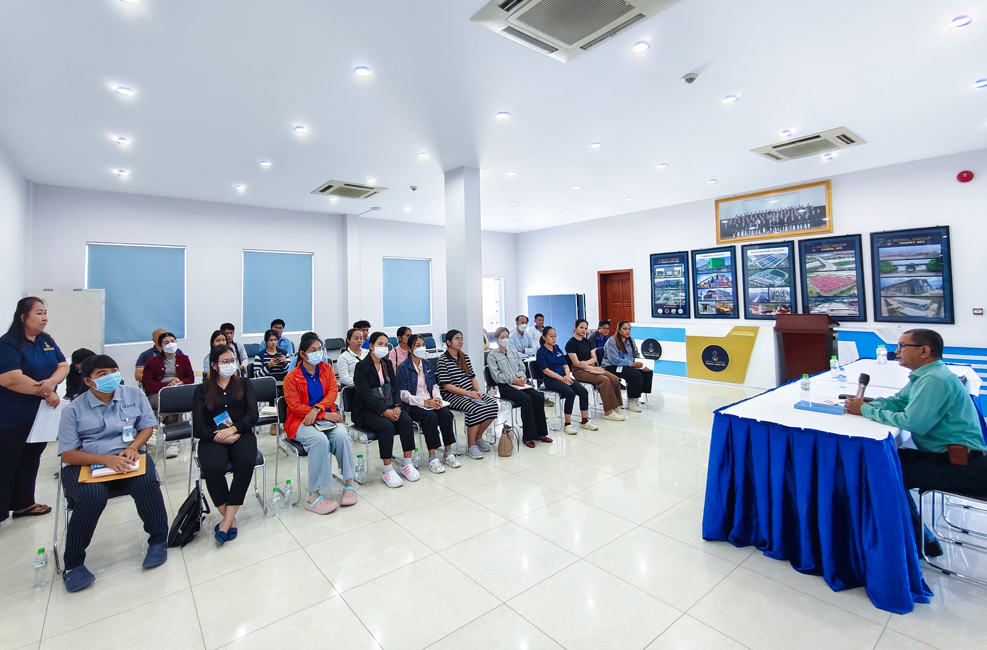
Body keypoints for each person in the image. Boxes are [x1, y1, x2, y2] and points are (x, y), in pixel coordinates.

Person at [846, 329, 987, 556]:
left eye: (902, 346)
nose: (896, 351)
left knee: (884, 474)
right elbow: (898, 402)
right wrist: (867, 405)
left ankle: (919, 541)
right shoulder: (925, 375)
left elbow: (912, 422)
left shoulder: (934, 380)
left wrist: (865, 410)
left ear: (924, 351)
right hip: (944, 456)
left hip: (963, 466)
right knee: (881, 461)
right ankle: (917, 535)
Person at [57, 354, 168, 592]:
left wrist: (133, 448)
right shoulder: (73, 409)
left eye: (114, 371)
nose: (111, 376)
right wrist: (105, 459)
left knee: (147, 483)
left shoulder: (133, 395)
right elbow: (68, 454)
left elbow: (147, 427)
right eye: (102, 374)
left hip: (128, 457)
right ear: (88, 381)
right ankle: (74, 564)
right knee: (92, 497)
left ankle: (158, 541)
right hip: (87, 464)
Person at [0, 297, 69, 525]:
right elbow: (11, 378)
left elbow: (63, 365)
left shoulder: (45, 340)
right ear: (23, 317)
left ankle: (23, 503)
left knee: (30, 459)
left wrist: (51, 382)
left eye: (45, 312)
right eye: (39, 313)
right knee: (6, 463)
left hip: (40, 416)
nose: (44, 317)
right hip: (11, 418)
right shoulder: (8, 343)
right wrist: (47, 392)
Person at [283, 332, 358, 511]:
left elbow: (332, 393)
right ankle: (314, 497)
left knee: (342, 436)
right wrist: (320, 414)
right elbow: (295, 406)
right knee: (319, 441)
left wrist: (318, 411)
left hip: (324, 415)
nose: (317, 353)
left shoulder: (327, 369)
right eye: (312, 350)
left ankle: (349, 484)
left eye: (319, 349)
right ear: (302, 354)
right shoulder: (291, 378)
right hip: (300, 420)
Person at [192, 345, 258, 544]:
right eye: (225, 362)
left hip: (240, 433)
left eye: (232, 361)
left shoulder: (244, 384)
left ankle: (226, 521)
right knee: (213, 467)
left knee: (246, 461)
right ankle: (230, 519)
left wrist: (233, 429)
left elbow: (252, 415)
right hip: (213, 437)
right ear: (214, 365)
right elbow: (198, 426)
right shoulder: (202, 390)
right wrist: (219, 435)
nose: (230, 365)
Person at [353, 332, 420, 487]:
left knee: (406, 420)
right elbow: (366, 395)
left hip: (389, 405)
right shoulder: (361, 367)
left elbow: (396, 387)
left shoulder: (387, 364)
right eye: (380, 344)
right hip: (366, 410)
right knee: (386, 426)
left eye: (385, 344)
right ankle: (387, 469)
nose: (383, 347)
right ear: (371, 346)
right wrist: (384, 411)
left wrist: (397, 406)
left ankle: (407, 463)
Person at [396, 335, 461, 472]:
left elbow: (434, 385)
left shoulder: (427, 364)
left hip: (430, 401)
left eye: (423, 345)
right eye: (418, 345)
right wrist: (424, 402)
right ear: (410, 349)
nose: (422, 348)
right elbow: (403, 394)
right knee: (430, 417)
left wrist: (436, 398)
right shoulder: (403, 367)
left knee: (446, 414)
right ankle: (432, 457)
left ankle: (448, 452)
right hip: (413, 405)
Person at [436, 330, 499, 460]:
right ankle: (471, 446)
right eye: (457, 339)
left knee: (493, 405)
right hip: (452, 396)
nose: (460, 341)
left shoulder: (464, 357)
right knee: (474, 408)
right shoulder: (442, 360)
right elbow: (447, 386)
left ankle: (478, 437)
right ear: (448, 342)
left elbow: (472, 378)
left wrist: (478, 391)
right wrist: (468, 393)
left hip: (470, 393)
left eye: (461, 338)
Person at [488, 327, 553, 449]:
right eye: (502, 337)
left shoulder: (513, 353)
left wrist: (521, 378)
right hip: (505, 386)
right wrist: (513, 379)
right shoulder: (492, 355)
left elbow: (521, 367)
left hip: (519, 383)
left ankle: (541, 433)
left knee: (538, 397)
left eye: (507, 337)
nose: (505, 339)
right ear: (497, 339)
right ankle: (528, 436)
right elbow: (496, 376)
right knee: (526, 400)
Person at [537, 326, 596, 435]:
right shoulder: (541, 352)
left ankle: (584, 421)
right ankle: (567, 424)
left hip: (565, 377)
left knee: (583, 392)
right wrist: (562, 379)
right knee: (570, 393)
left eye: (555, 336)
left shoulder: (557, 349)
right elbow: (546, 371)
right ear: (544, 337)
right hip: (551, 380)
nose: (554, 339)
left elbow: (565, 365)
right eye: (551, 336)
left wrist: (567, 376)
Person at [566, 319, 625, 422]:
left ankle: (616, 406)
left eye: (585, 328)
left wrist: (588, 363)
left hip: (590, 366)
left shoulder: (587, 341)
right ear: (575, 327)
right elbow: (576, 363)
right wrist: (591, 367)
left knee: (614, 379)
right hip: (579, 371)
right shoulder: (571, 343)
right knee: (604, 380)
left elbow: (594, 358)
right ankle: (608, 412)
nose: (583, 330)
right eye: (581, 327)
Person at [603, 321, 653, 412]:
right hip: (612, 366)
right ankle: (631, 401)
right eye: (625, 329)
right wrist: (631, 364)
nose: (627, 331)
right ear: (618, 330)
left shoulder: (630, 340)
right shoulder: (612, 341)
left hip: (627, 365)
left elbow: (636, 354)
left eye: (629, 329)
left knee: (647, 373)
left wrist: (642, 365)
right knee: (634, 375)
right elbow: (614, 359)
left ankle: (636, 396)